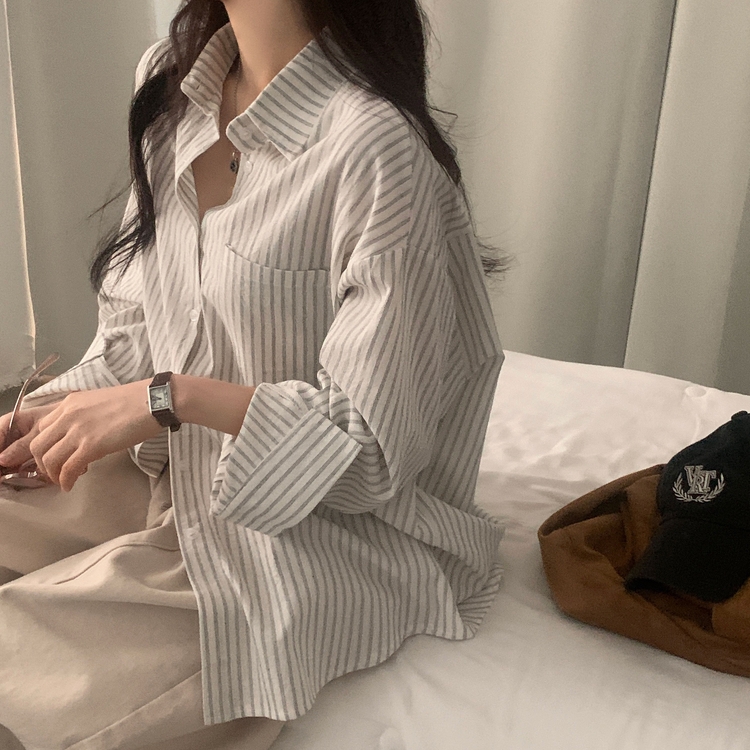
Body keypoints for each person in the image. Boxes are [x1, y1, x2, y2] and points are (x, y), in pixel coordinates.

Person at [0, 0, 505, 748]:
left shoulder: (373, 146)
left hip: (314, 536)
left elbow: (369, 453)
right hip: (166, 465)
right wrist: (46, 415)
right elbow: (138, 332)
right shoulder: (173, 83)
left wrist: (170, 398)